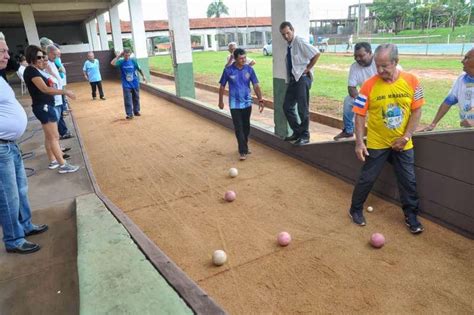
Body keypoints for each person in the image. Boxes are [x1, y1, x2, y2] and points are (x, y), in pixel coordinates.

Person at [348, 44, 425, 234]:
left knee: (408, 180)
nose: (380, 70)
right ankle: (355, 209)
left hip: (403, 142)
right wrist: (359, 142)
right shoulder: (368, 85)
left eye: (384, 66)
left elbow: (417, 110)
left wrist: (406, 136)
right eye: (377, 66)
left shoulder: (413, 81)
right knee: (367, 177)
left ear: (396, 62)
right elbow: (359, 114)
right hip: (377, 141)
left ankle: (411, 215)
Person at [0, 39, 49, 254]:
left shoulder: (1, 76)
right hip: (1, 148)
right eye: (1, 51)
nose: (6, 55)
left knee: (20, 189)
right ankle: (14, 240)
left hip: (11, 144)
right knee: (8, 197)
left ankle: (25, 225)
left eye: (6, 51)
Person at [23, 45, 79, 174]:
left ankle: (53, 161)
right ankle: (63, 164)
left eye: (43, 57)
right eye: (39, 57)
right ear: (31, 57)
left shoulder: (36, 70)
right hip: (44, 106)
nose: (42, 59)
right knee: (54, 137)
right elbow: (45, 89)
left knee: (50, 136)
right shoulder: (31, 71)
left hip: (46, 106)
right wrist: (65, 91)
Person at [218, 48, 264, 160]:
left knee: (246, 126)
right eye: (241, 58)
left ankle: (244, 145)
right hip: (234, 104)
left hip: (247, 103)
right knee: (238, 127)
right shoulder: (228, 70)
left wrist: (260, 99)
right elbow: (222, 86)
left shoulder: (249, 69)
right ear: (235, 58)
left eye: (245, 58)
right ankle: (242, 151)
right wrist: (220, 101)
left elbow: (256, 85)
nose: (244, 60)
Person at [280, 21, 321, 146]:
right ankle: (297, 132)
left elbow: (316, 53)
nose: (286, 36)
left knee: (302, 108)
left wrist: (308, 69)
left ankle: (305, 135)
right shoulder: (290, 46)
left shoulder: (299, 42)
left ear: (293, 30)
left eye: (288, 33)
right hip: (294, 80)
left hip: (302, 79)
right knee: (287, 106)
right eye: (283, 34)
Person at [422, 48, 474, 130]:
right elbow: (448, 102)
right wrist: (433, 124)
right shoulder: (462, 79)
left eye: (467, 58)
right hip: (468, 131)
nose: (462, 61)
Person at [334, 42, 376, 140]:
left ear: (370, 53)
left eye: (361, 56)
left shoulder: (378, 63)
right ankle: (348, 131)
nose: (358, 59)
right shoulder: (354, 67)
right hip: (365, 97)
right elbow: (351, 88)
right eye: (355, 56)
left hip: (382, 96)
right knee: (348, 100)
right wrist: (359, 99)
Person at [45, 44, 73, 140]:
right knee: (55, 118)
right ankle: (57, 137)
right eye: (54, 55)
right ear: (48, 53)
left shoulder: (53, 62)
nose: (56, 57)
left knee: (60, 115)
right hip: (54, 95)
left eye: (57, 55)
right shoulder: (46, 63)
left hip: (59, 92)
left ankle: (63, 133)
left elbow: (58, 74)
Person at [110, 48, 147, 119]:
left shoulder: (133, 61)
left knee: (136, 98)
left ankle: (136, 111)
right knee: (127, 99)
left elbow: (139, 69)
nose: (127, 57)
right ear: (123, 55)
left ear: (130, 55)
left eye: (128, 55)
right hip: (126, 84)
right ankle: (129, 114)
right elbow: (112, 63)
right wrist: (119, 56)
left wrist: (143, 76)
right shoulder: (121, 61)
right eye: (125, 55)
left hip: (135, 83)